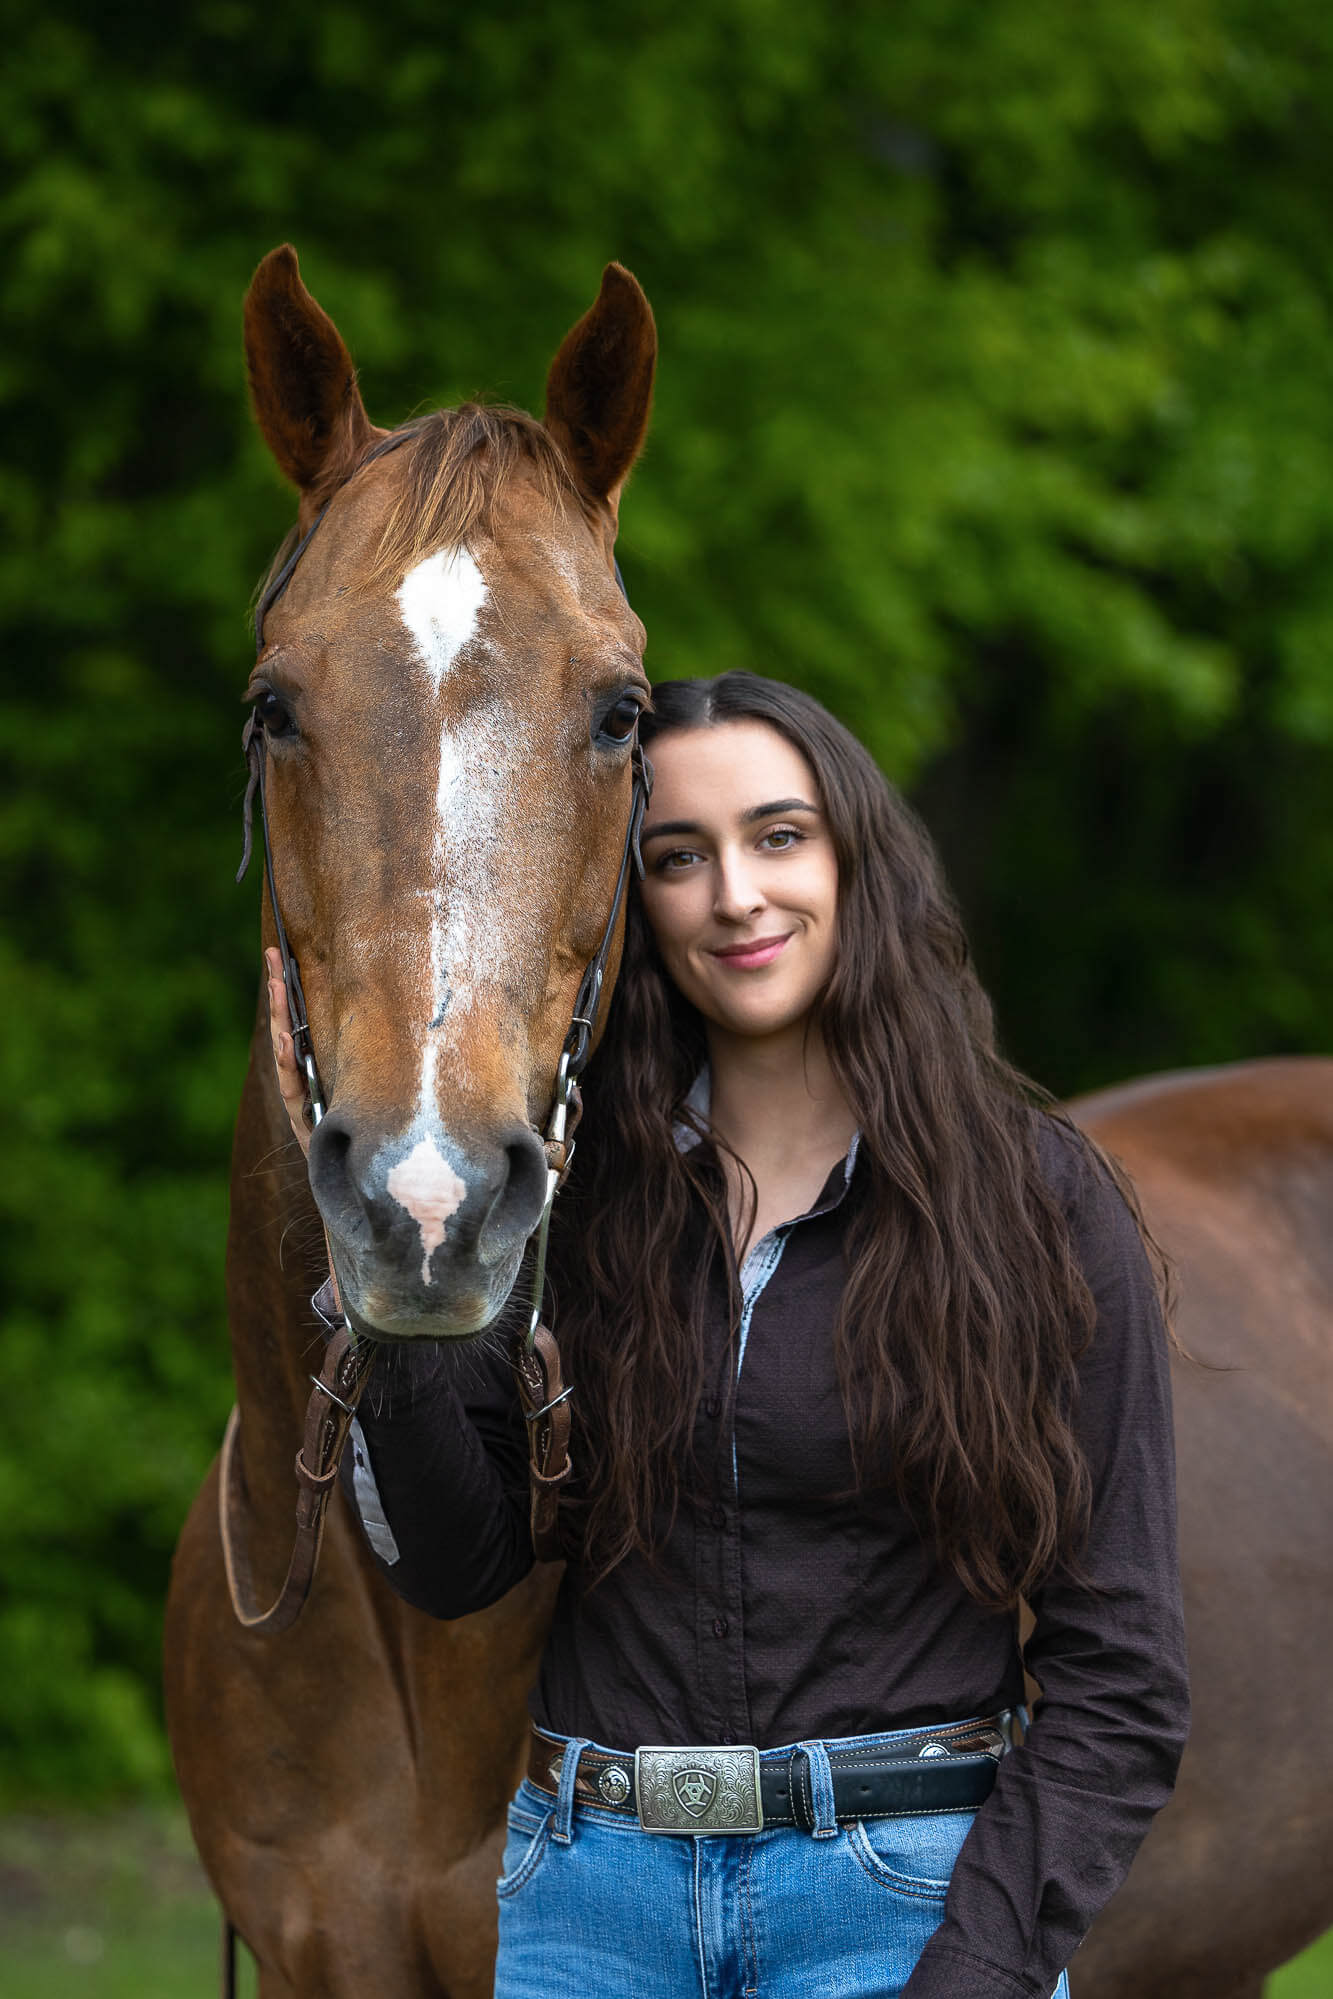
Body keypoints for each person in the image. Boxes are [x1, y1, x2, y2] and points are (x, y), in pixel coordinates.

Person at [266, 671, 1189, 1999]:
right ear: (627, 900)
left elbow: (1123, 1676)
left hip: (899, 1902)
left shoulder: (1033, 1202)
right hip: (591, 1904)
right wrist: (387, 1266)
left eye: (778, 836)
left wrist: (982, 1965)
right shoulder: (563, 1201)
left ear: (855, 860)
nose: (735, 896)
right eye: (677, 858)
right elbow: (458, 1569)